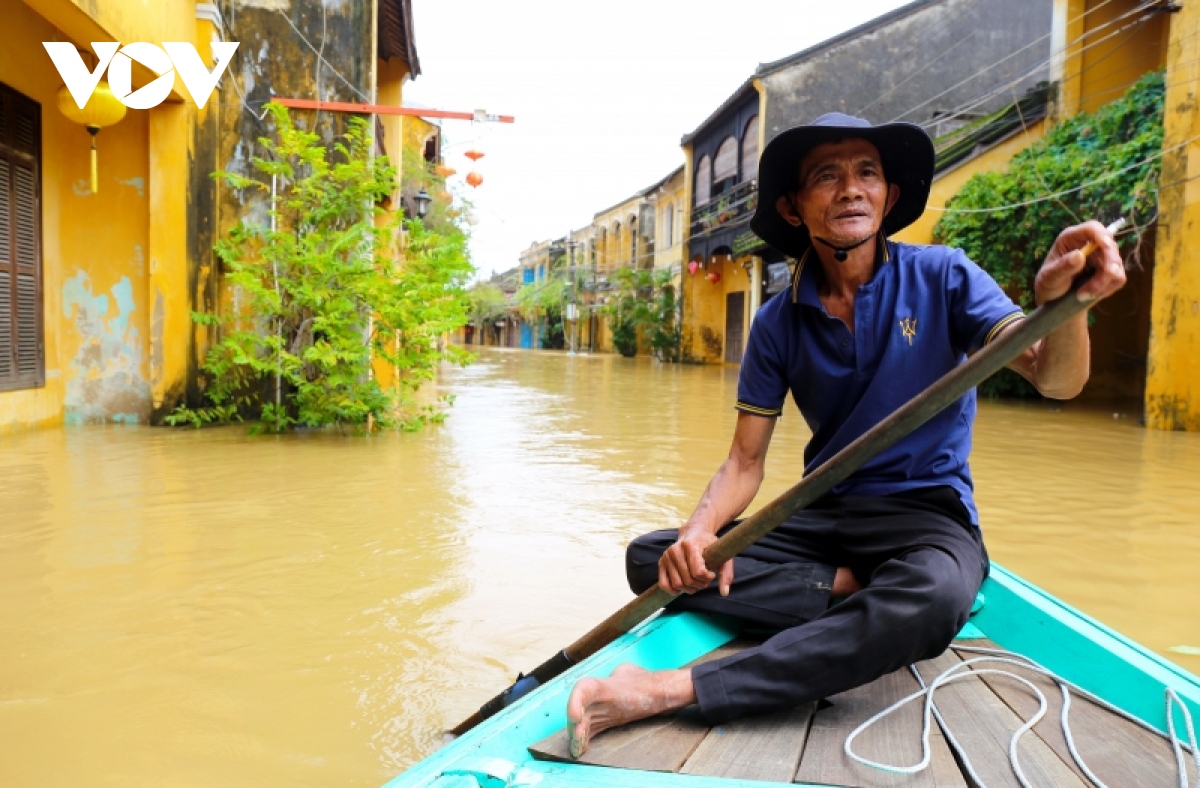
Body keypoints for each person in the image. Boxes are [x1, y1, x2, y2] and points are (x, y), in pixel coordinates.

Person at [565, 112, 1126, 758]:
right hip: (825, 512)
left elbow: (1054, 380)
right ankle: (850, 585)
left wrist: (1067, 307)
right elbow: (744, 464)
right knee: (655, 560)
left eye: (867, 174)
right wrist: (697, 534)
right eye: (827, 177)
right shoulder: (777, 321)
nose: (851, 189)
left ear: (887, 196)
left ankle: (670, 689)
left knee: (936, 597)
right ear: (794, 207)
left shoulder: (944, 276)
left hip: (925, 516)